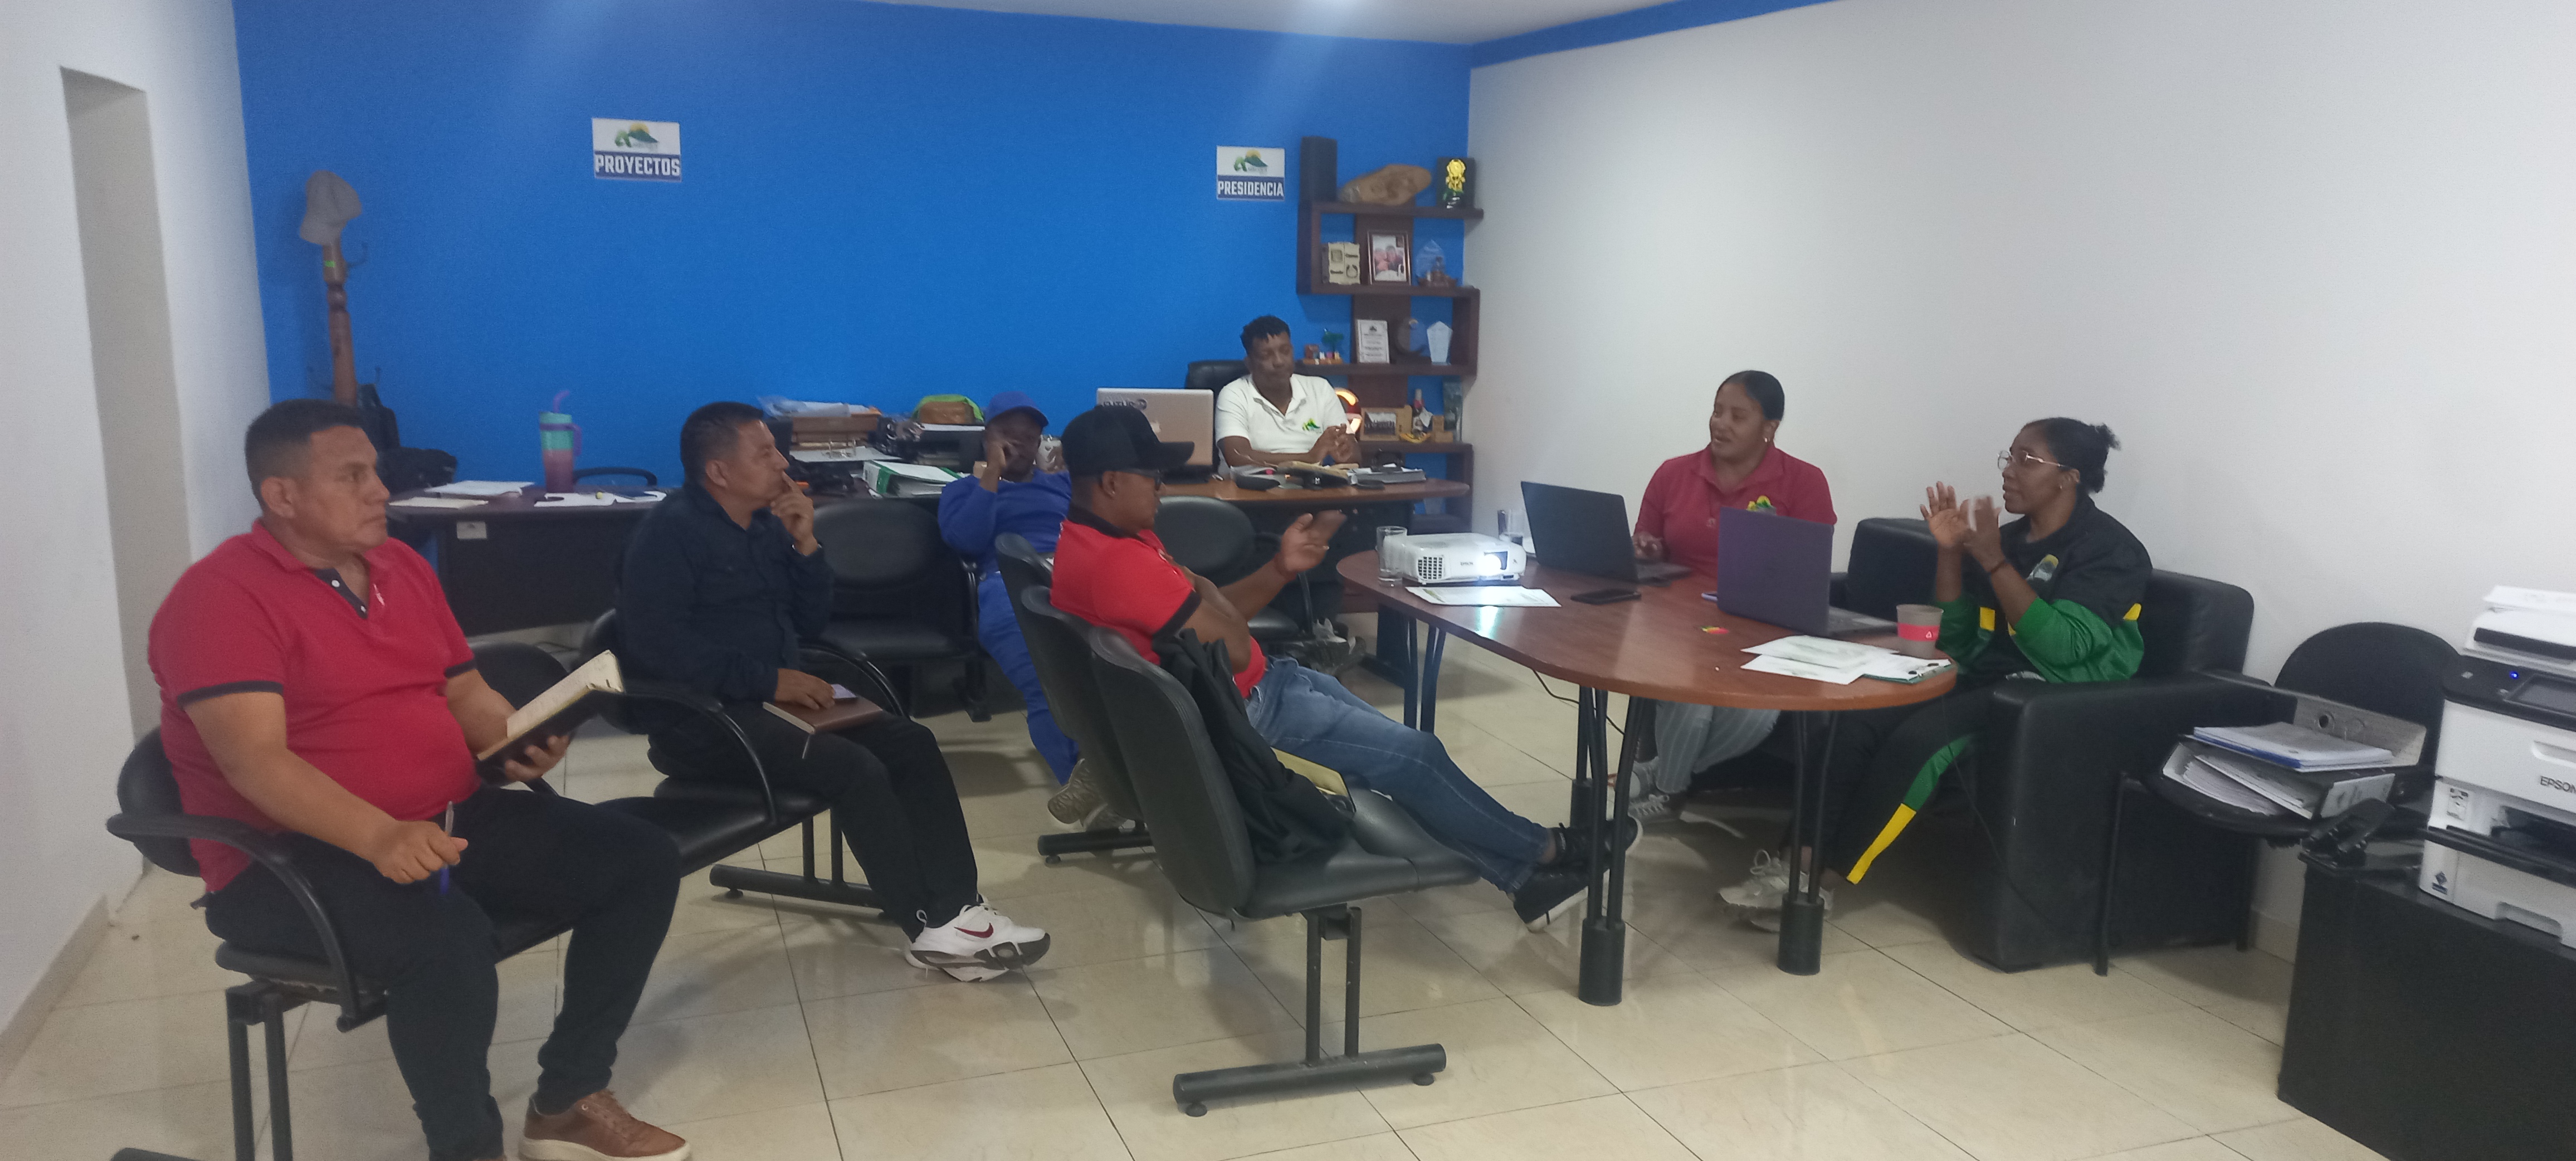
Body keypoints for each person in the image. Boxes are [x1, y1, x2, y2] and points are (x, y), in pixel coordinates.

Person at [152, 399, 689, 1161]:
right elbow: (255, 763)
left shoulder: (400, 567)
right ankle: (466, 1147)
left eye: (375, 472)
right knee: (444, 940)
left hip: (443, 818)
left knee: (639, 858)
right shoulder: (219, 599)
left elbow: (464, 692)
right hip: (287, 862)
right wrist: (378, 835)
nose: (381, 490)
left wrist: (516, 739)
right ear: (283, 495)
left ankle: (568, 1099)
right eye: (353, 476)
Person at [1047, 405, 1624, 928]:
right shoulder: (1120, 565)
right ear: (1111, 482)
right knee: (1415, 756)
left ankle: (1526, 881)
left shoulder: (1099, 538)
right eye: (1151, 475)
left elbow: (1218, 623)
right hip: (1247, 712)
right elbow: (1236, 645)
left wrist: (1276, 569)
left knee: (1400, 761)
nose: (1162, 485)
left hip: (1258, 685)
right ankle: (1545, 849)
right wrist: (1204, 593)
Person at [618, 401, 1048, 980]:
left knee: (912, 742)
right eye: (765, 453)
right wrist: (770, 679)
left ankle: (961, 909)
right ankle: (928, 926)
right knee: (853, 767)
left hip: (777, 697)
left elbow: (810, 620)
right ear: (718, 471)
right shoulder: (667, 536)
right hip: (704, 719)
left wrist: (805, 546)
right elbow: (657, 648)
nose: (781, 462)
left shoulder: (765, 524)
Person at [1721, 418, 2149, 928]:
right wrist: (1950, 553)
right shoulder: (2007, 540)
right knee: (1852, 719)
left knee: (1919, 742)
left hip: (2053, 699)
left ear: (2068, 477)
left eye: (2026, 460)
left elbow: (2064, 648)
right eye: (2009, 456)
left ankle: (1820, 888)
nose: (2009, 471)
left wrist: (1993, 562)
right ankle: (1794, 866)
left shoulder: (2111, 552)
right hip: (1980, 677)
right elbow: (1959, 639)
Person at [1626, 371, 1837, 821]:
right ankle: (1669, 795)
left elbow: (1810, 569)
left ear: (1770, 427)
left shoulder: (1804, 482)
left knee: (1755, 716)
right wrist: (1647, 548)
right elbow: (1644, 538)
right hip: (1677, 625)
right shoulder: (1673, 473)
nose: (1720, 424)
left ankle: (1660, 772)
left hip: (1759, 625)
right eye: (1717, 411)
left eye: (1737, 416)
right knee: (1693, 699)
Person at [936, 391, 1119, 829]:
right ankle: (1087, 789)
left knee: (1126, 671)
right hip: (1011, 585)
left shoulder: (1062, 485)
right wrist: (992, 475)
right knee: (1049, 685)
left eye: (1029, 436)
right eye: (1007, 434)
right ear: (987, 438)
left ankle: (1126, 776)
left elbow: (1109, 528)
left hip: (1076, 578)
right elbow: (966, 541)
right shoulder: (962, 490)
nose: (1019, 443)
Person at [1213, 314, 1359, 470]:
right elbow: (1238, 456)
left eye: (1285, 351)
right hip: (1249, 485)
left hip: (1310, 483)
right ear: (1250, 364)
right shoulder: (1234, 394)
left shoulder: (1320, 388)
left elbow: (1355, 455)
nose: (1279, 361)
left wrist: (1344, 451)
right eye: (1266, 355)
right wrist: (1309, 458)